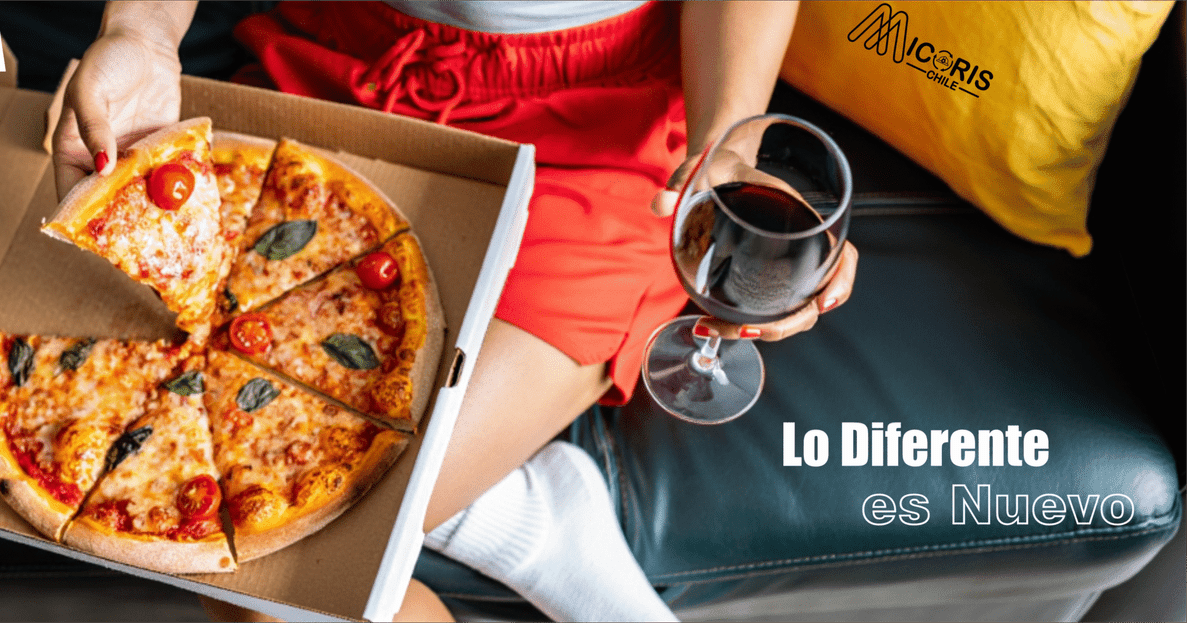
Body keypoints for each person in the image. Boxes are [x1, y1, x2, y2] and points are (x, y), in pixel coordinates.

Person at [52, 2, 858, 620]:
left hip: (599, 117)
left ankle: (517, 517)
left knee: (269, 575)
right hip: (340, 60)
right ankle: (517, 517)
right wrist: (145, 29)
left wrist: (728, 145)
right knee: (235, 533)